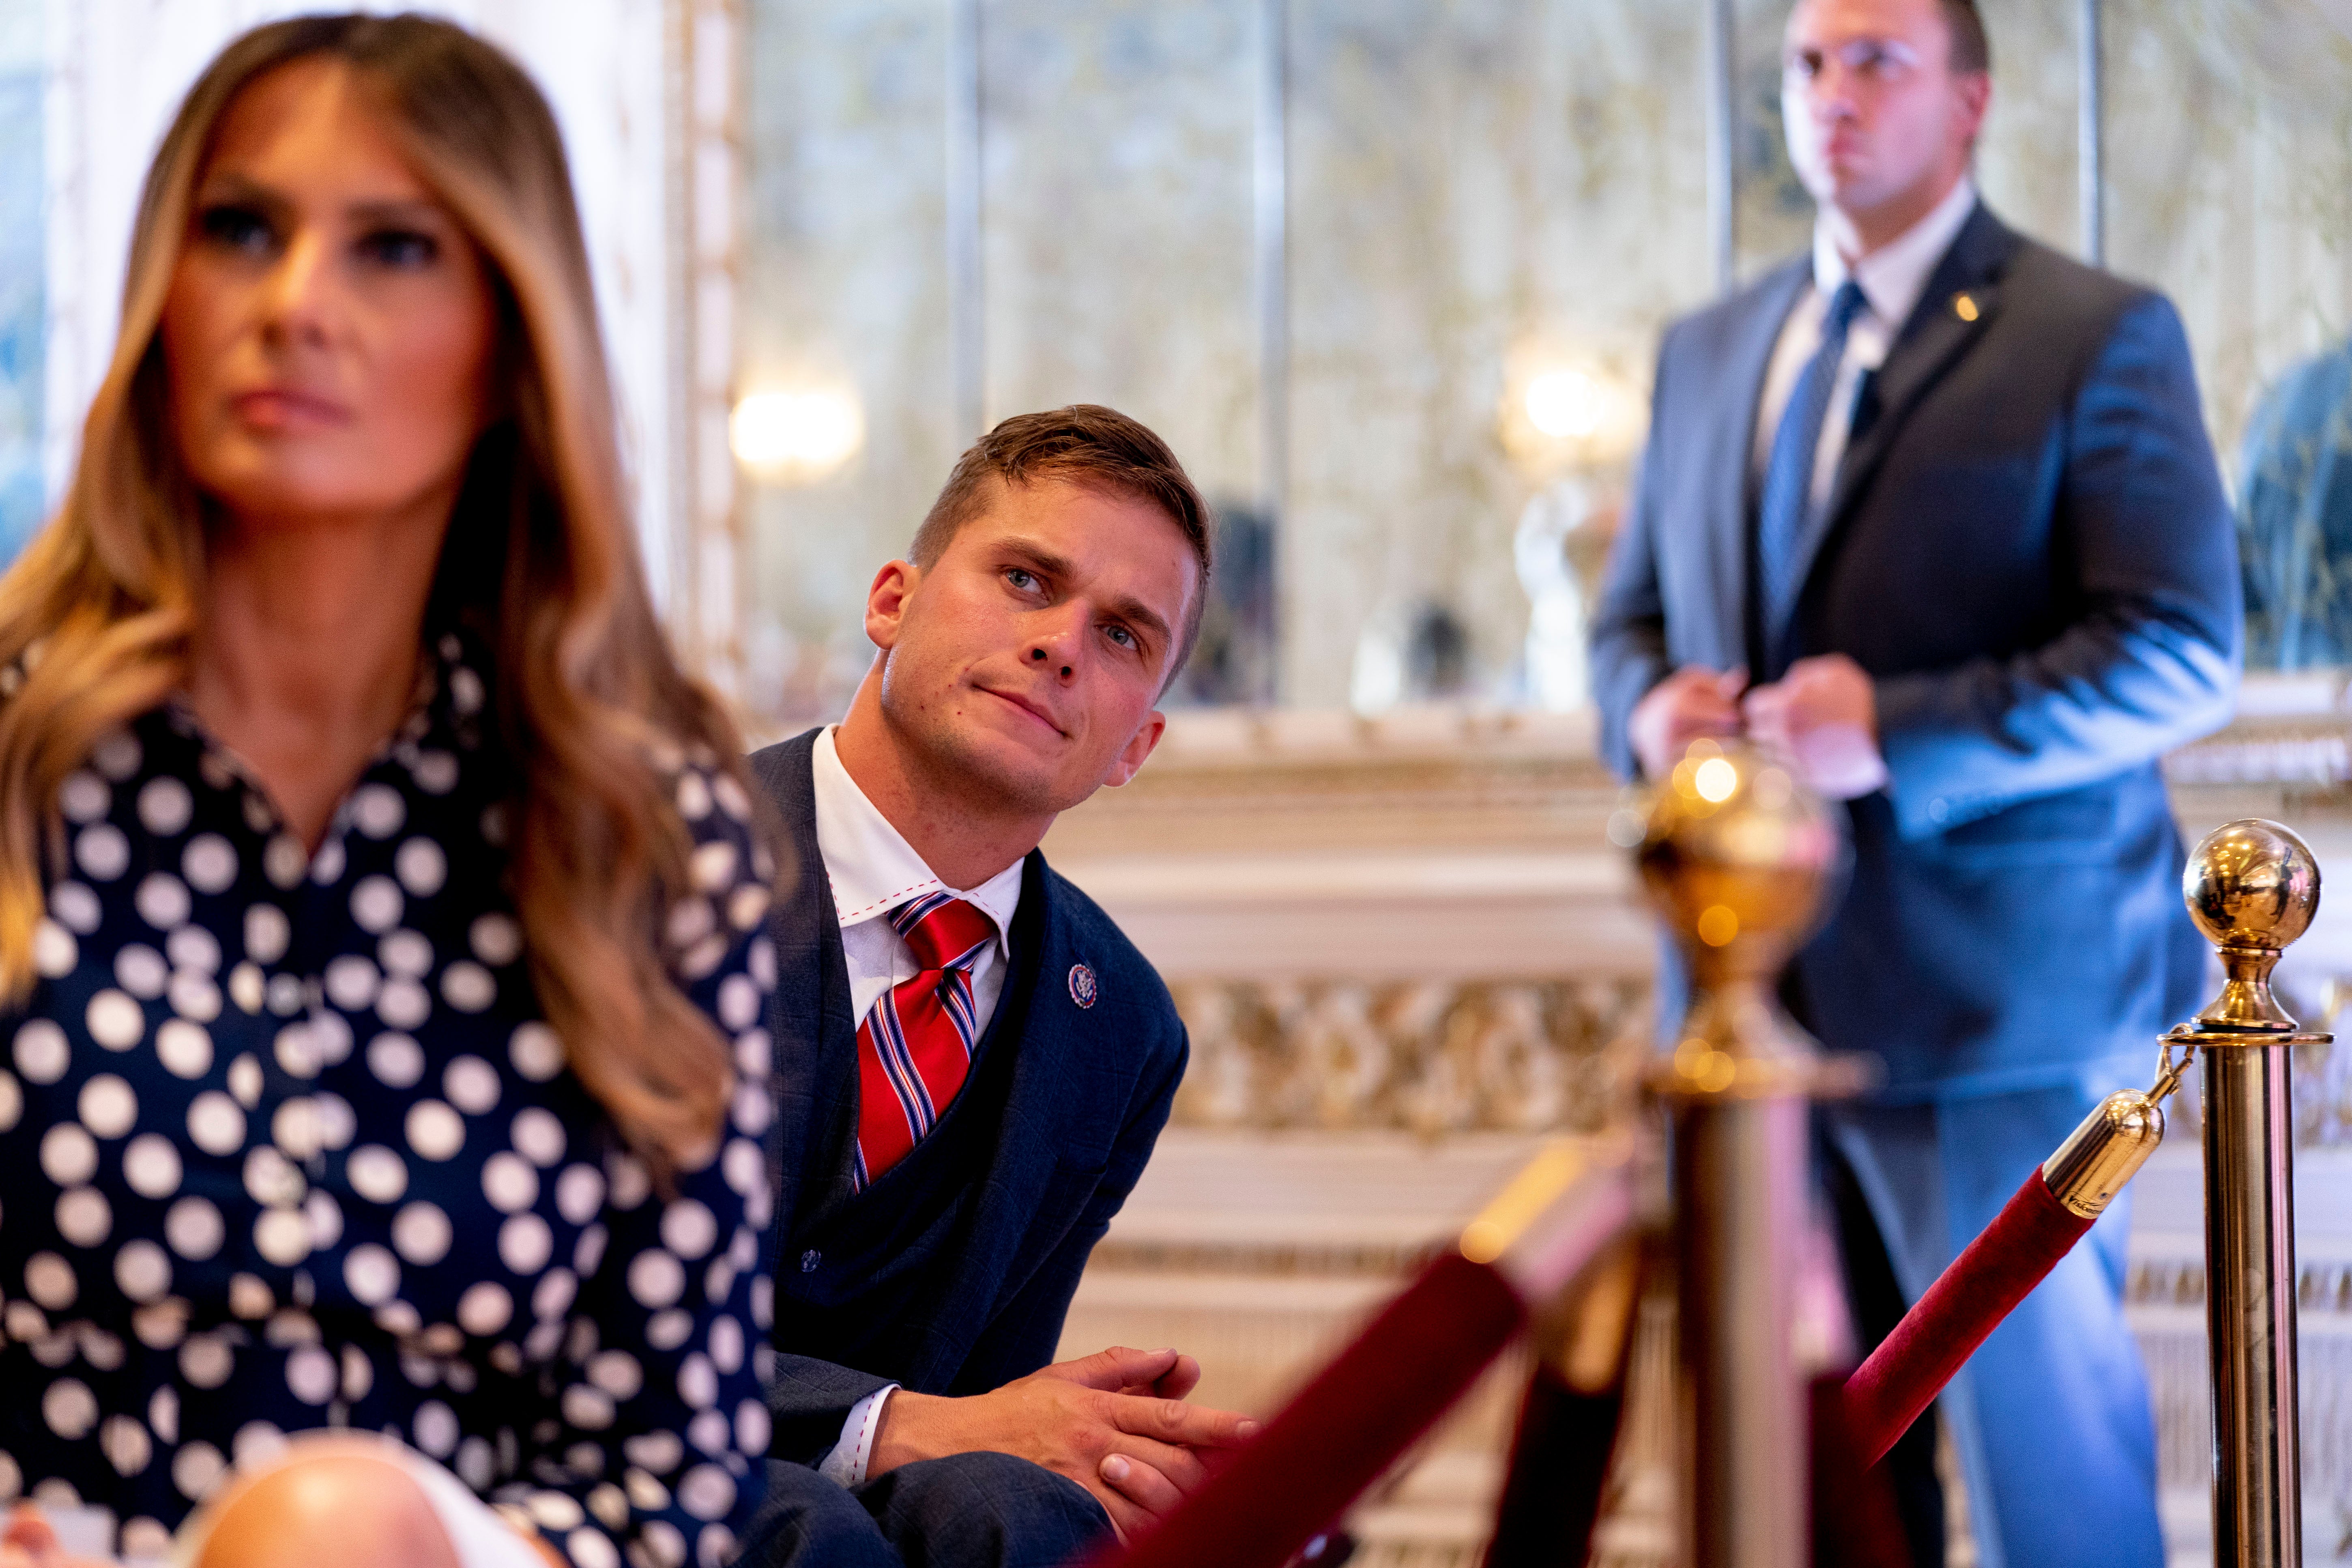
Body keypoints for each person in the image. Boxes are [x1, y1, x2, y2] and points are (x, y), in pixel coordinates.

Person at [0, 17, 778, 1568]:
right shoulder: (22, 768)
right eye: (242, 230)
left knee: (332, 1527)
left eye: (394, 250)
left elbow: (667, 1491)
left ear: (510, 339)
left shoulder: (645, 839)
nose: (296, 307)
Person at [1589, 0, 2238, 1563]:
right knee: (1796, 1486)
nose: (1831, 96)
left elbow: (2179, 647)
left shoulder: (2095, 332)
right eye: (1808, 65)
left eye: (1876, 58)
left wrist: (1896, 728)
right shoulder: (1708, 349)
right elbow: (1627, 625)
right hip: (1751, 1012)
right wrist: (1644, 709)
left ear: (1971, 101)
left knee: (2049, 1494)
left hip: (1999, 1009)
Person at [743, 407, 1256, 1568]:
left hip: (877, 1509)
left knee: (1025, 1517)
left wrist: (1106, 1458)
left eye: (1125, 636)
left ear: (1138, 745)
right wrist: (889, 1423)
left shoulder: (1122, 1025)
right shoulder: (636, 863)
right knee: (800, 1531)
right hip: (598, 1459)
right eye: (1027, 578)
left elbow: (987, 1410)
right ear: (892, 601)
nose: (1065, 643)